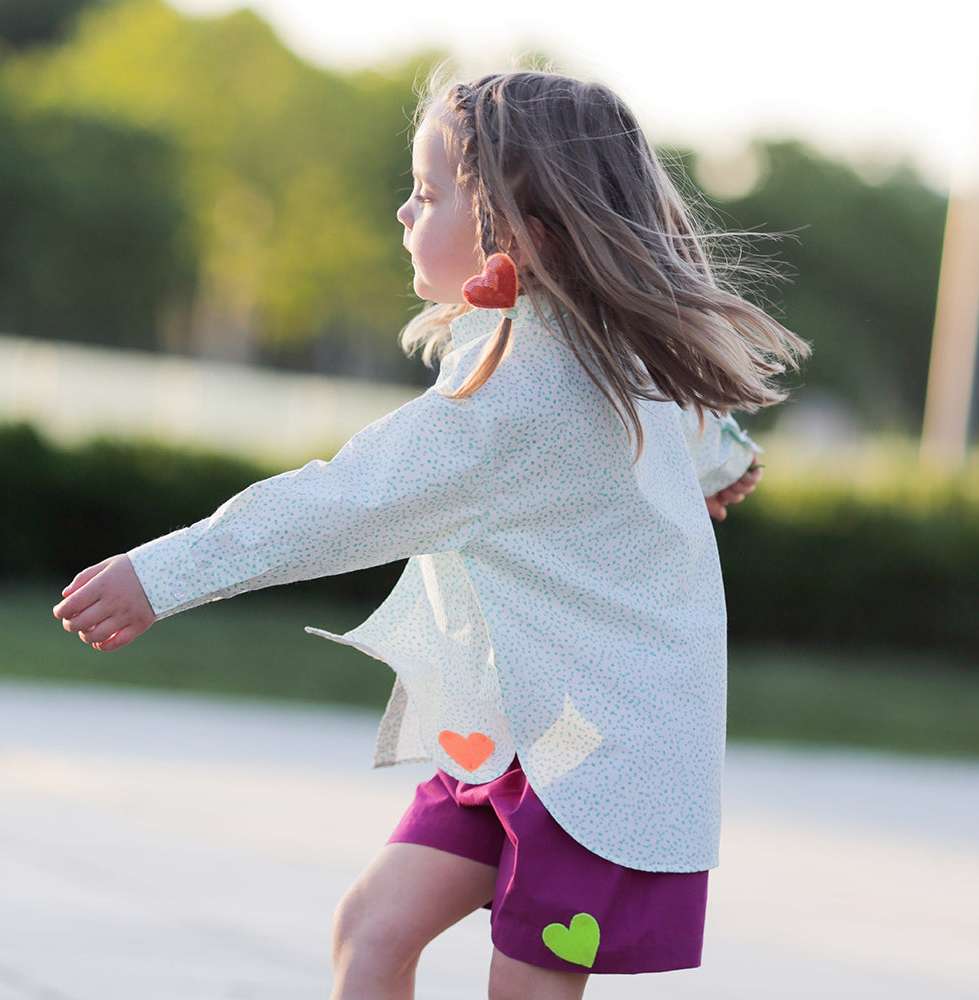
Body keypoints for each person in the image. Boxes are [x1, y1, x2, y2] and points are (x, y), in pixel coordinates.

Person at [54, 70, 807, 1000]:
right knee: (372, 931)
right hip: (525, 729)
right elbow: (674, 419)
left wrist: (158, 574)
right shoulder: (568, 337)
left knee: (524, 988)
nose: (403, 210)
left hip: (602, 749)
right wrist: (722, 462)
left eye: (429, 192)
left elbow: (343, 503)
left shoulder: (515, 397)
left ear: (520, 233)